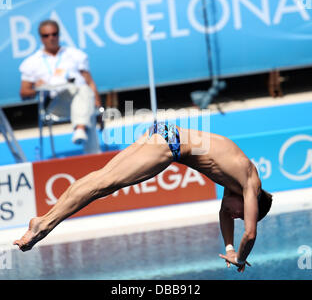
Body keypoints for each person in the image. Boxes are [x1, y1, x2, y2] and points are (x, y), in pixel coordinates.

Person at [14, 121, 272, 272]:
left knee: (101, 180)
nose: (235, 215)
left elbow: (224, 213)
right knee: (102, 184)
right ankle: (45, 225)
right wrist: (240, 257)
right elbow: (250, 233)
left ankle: (44, 220)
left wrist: (228, 248)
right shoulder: (250, 182)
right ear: (253, 202)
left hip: (165, 132)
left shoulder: (238, 180)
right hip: (170, 145)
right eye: (242, 213)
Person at [19, 20, 102, 152]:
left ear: (59, 35)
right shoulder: (31, 63)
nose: (51, 38)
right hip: (56, 105)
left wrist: (99, 107)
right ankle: (93, 153)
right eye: (46, 35)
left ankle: (82, 133)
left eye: (54, 34)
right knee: (85, 102)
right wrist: (36, 86)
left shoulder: (75, 55)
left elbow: (89, 82)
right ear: (41, 38)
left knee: (84, 93)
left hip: (81, 99)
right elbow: (24, 93)